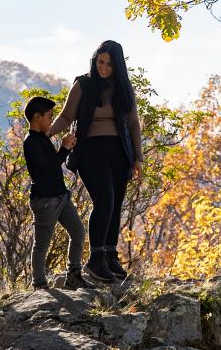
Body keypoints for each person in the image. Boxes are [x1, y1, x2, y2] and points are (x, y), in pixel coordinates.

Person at [48, 39, 143, 282]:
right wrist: (46, 134)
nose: (103, 68)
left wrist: (138, 158)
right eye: (100, 62)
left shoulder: (124, 87)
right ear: (94, 60)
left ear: (117, 66)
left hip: (121, 151)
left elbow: (133, 124)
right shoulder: (83, 84)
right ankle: (95, 260)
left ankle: (110, 256)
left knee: (115, 204)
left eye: (109, 64)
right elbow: (67, 115)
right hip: (91, 150)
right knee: (104, 201)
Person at [23, 96, 90, 290]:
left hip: (61, 196)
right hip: (45, 201)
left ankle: (74, 275)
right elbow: (47, 168)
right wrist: (64, 149)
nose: (52, 121)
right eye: (49, 117)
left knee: (77, 232)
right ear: (37, 117)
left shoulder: (41, 140)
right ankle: (39, 285)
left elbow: (52, 164)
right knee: (41, 245)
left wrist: (64, 147)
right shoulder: (31, 142)